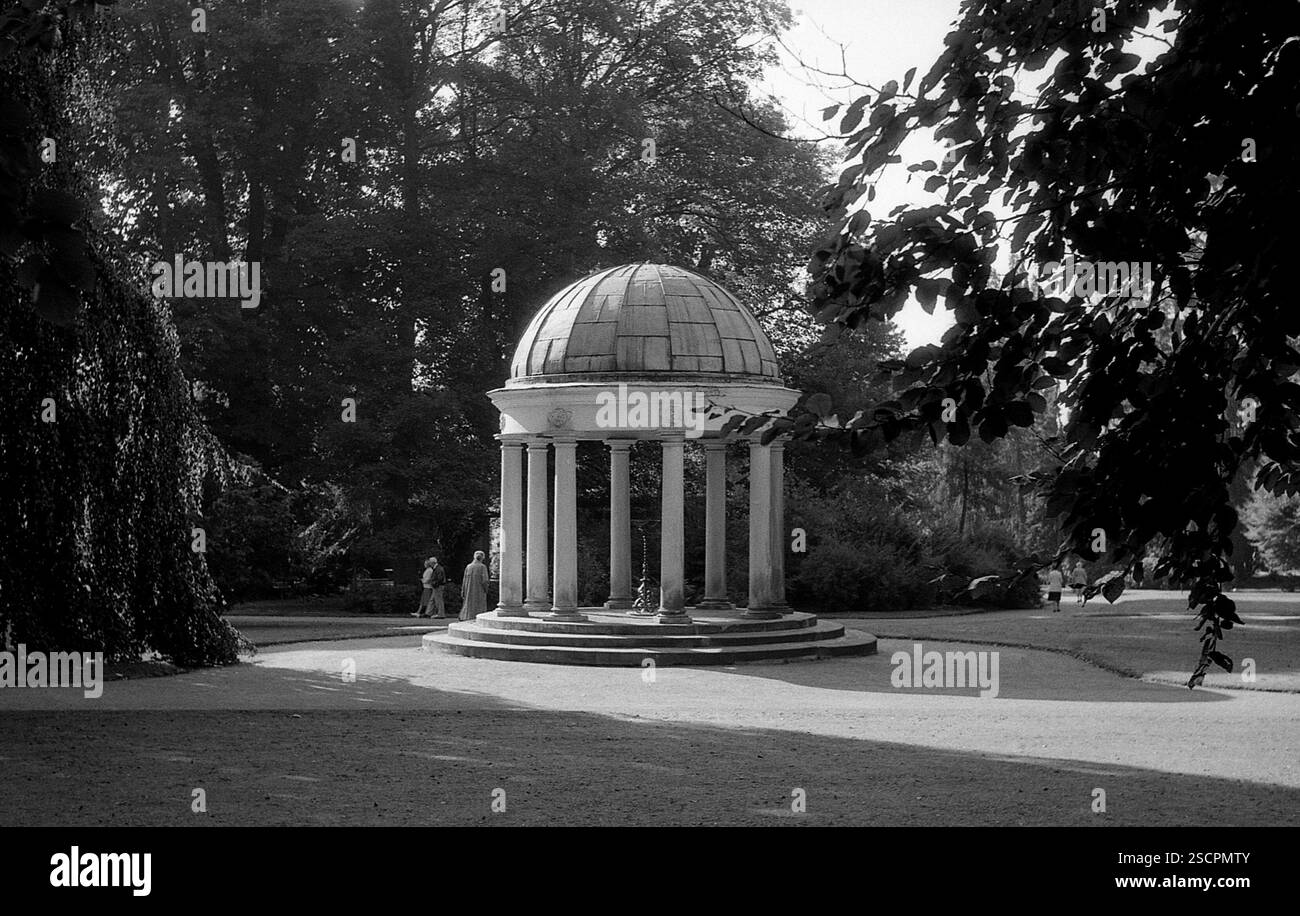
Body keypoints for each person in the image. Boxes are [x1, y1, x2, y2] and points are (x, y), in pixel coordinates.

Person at [459, 550, 490, 621]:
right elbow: (485, 580)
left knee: (468, 604)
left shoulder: (468, 566)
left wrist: (463, 590)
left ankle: (466, 617)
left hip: (468, 590)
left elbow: (464, 580)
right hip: (479, 590)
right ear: (482, 558)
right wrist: (486, 589)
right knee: (479, 605)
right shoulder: (482, 567)